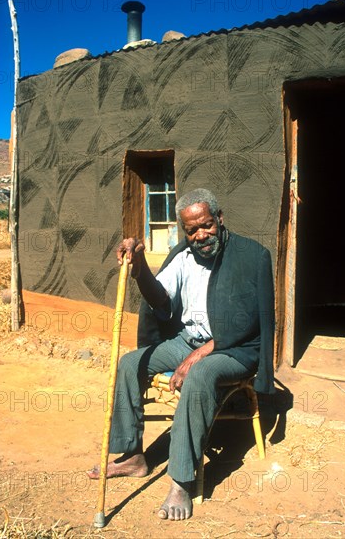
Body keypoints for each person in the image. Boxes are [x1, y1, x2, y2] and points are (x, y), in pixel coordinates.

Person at [87, 188, 275, 520]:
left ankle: (182, 480)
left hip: (234, 349)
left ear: (219, 219)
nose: (201, 235)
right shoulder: (184, 256)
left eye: (206, 225)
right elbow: (160, 298)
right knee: (130, 364)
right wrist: (140, 265)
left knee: (200, 375)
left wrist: (200, 355)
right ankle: (133, 456)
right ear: (183, 231)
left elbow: (252, 321)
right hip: (189, 341)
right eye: (192, 230)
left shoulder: (250, 255)